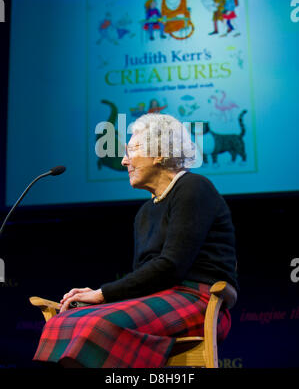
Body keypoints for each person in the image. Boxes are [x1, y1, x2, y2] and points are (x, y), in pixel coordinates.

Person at [33, 113, 238, 368]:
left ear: (160, 153)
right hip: (160, 298)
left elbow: (171, 266)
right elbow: (145, 275)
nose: (123, 160)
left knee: (95, 325)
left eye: (132, 150)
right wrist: (102, 296)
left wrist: (103, 294)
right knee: (63, 321)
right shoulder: (144, 214)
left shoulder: (194, 188)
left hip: (199, 302)